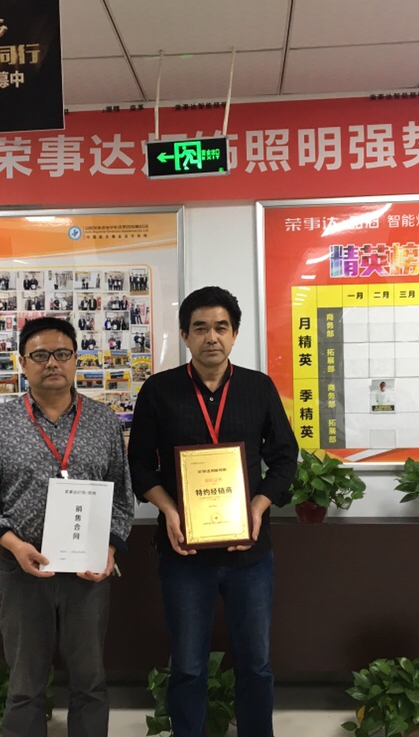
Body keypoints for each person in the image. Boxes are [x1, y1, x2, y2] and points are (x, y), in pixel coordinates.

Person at [128, 286, 298, 737]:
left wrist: (259, 505)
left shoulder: (258, 387)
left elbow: (285, 457)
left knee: (256, 664)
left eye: (221, 327)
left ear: (235, 334)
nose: (211, 337)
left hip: (249, 553)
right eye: (200, 328)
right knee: (187, 666)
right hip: (184, 555)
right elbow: (139, 463)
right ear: (185, 335)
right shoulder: (159, 391)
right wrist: (168, 509)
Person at [0, 316, 134, 737]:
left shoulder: (103, 421)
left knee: (90, 680)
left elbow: (122, 496)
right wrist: (14, 545)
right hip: (24, 568)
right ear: (22, 363)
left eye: (62, 353)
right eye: (40, 355)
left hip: (87, 572)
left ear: (76, 360)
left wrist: (109, 548)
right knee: (25, 683)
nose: (52, 363)